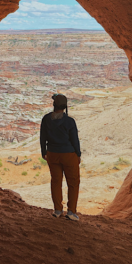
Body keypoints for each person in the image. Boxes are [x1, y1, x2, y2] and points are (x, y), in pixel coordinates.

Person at [40, 93, 81, 221]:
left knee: (56, 181)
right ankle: (71, 212)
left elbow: (42, 137)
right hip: (68, 154)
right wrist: (78, 154)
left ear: (54, 105)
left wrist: (44, 152)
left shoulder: (46, 119)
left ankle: (58, 210)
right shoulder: (69, 121)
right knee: (73, 183)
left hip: (52, 154)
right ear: (65, 106)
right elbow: (75, 140)